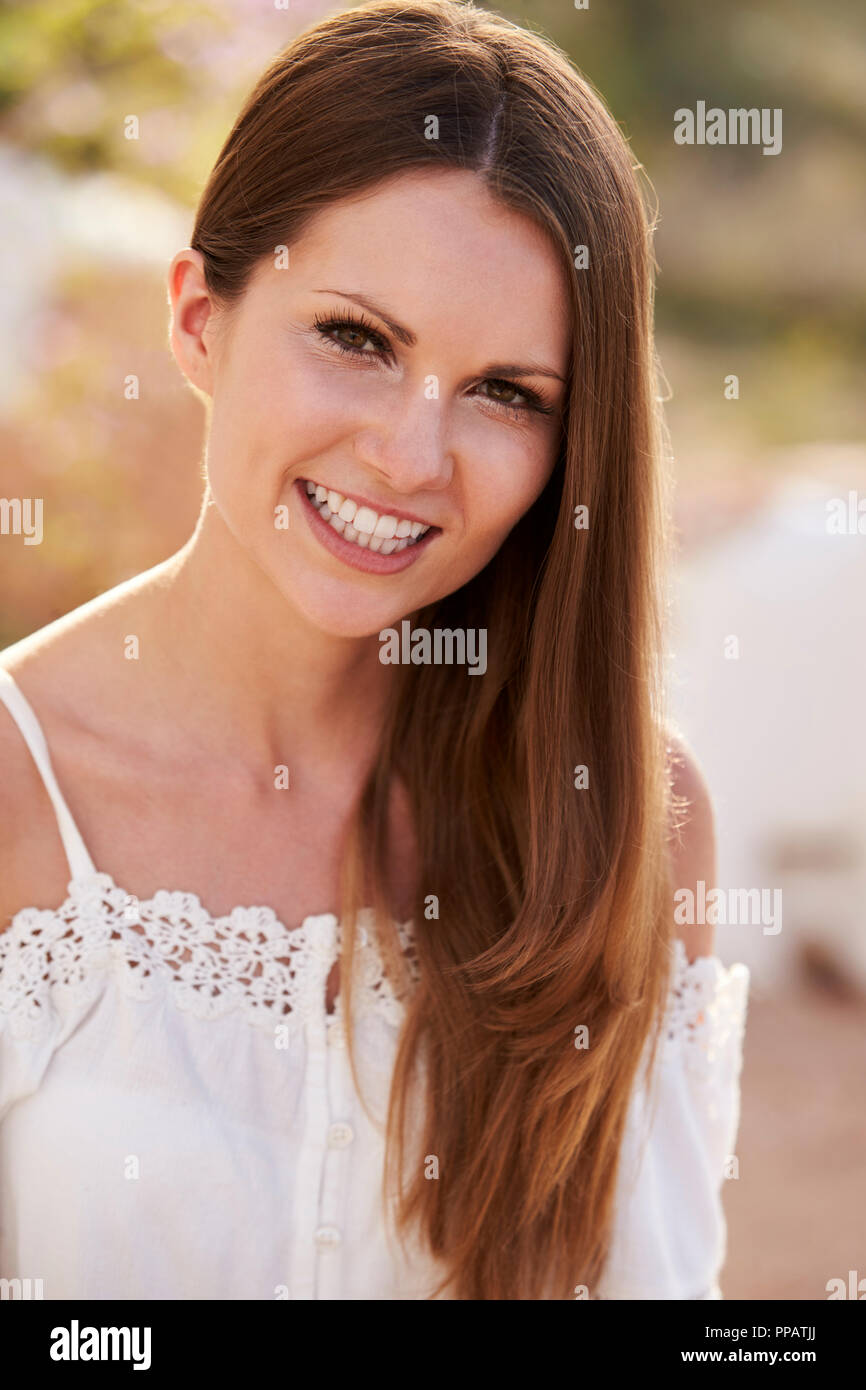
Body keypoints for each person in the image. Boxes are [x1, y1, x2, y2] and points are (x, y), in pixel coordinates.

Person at [0, 0, 749, 1300]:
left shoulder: (633, 811)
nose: (411, 457)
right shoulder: (19, 788)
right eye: (356, 338)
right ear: (196, 321)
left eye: (507, 392)